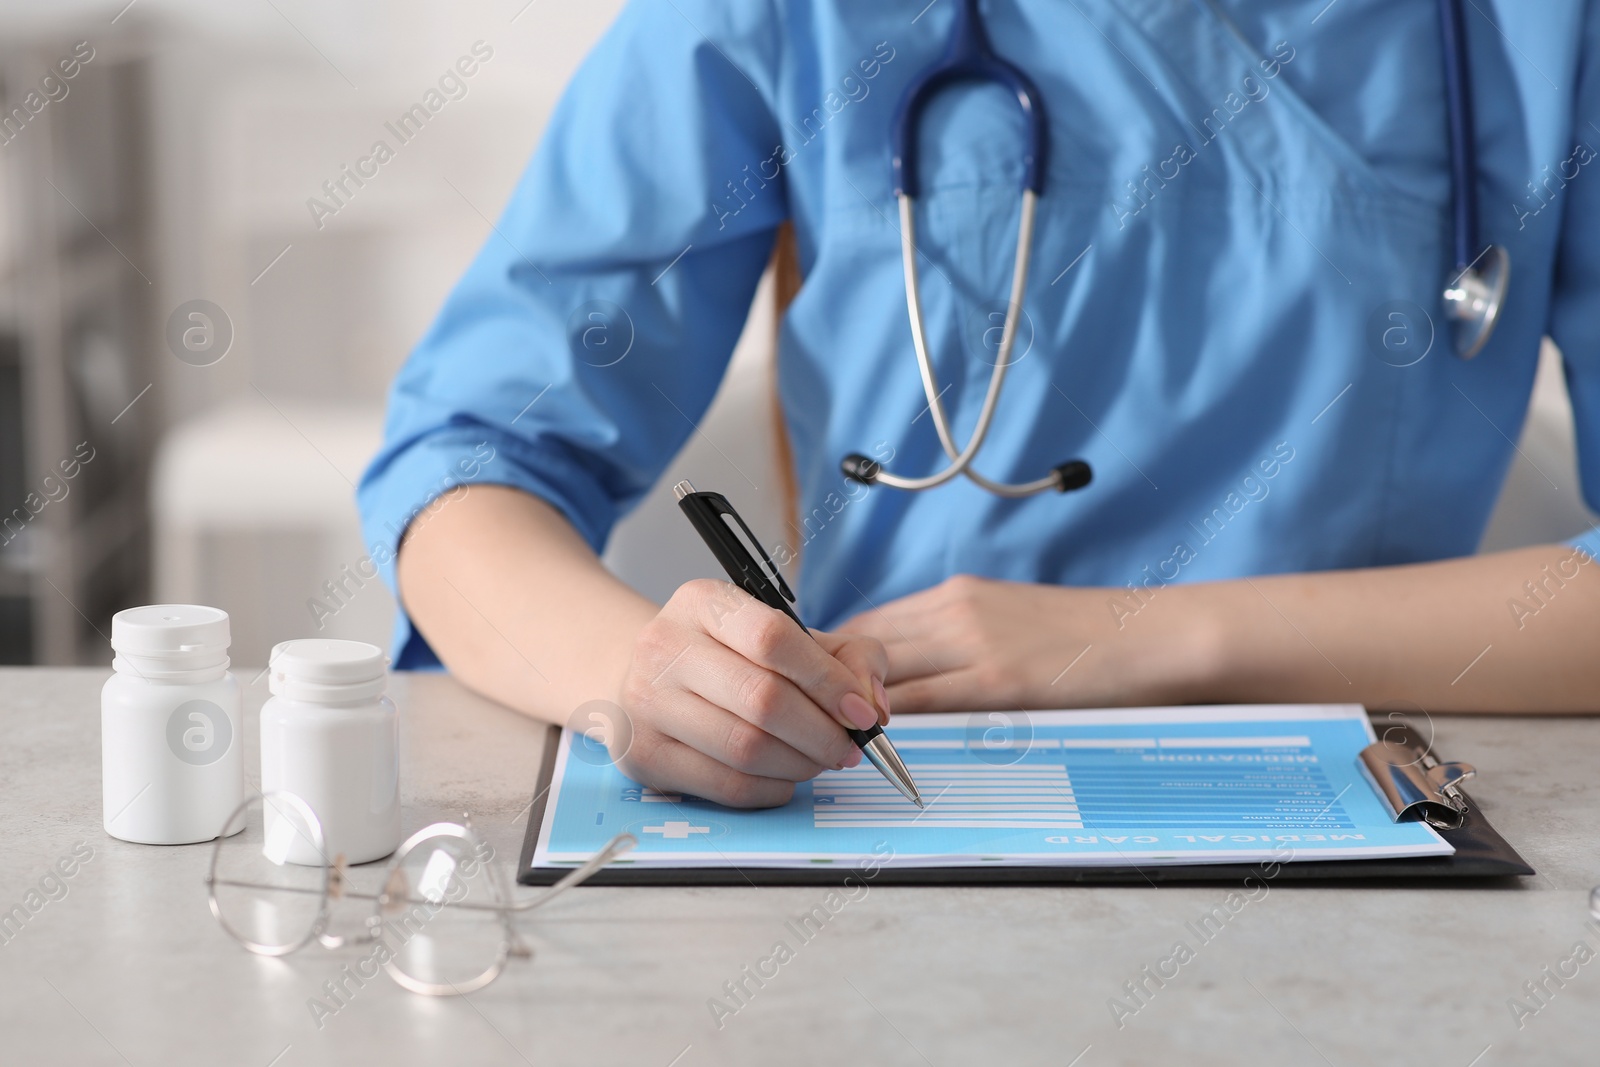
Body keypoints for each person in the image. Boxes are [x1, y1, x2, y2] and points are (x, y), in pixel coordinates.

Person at [359, 1, 1600, 808]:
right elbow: (469, 468)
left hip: (1366, 828)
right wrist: (639, 679)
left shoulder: (1543, 33)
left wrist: (1140, 636)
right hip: (903, 800)